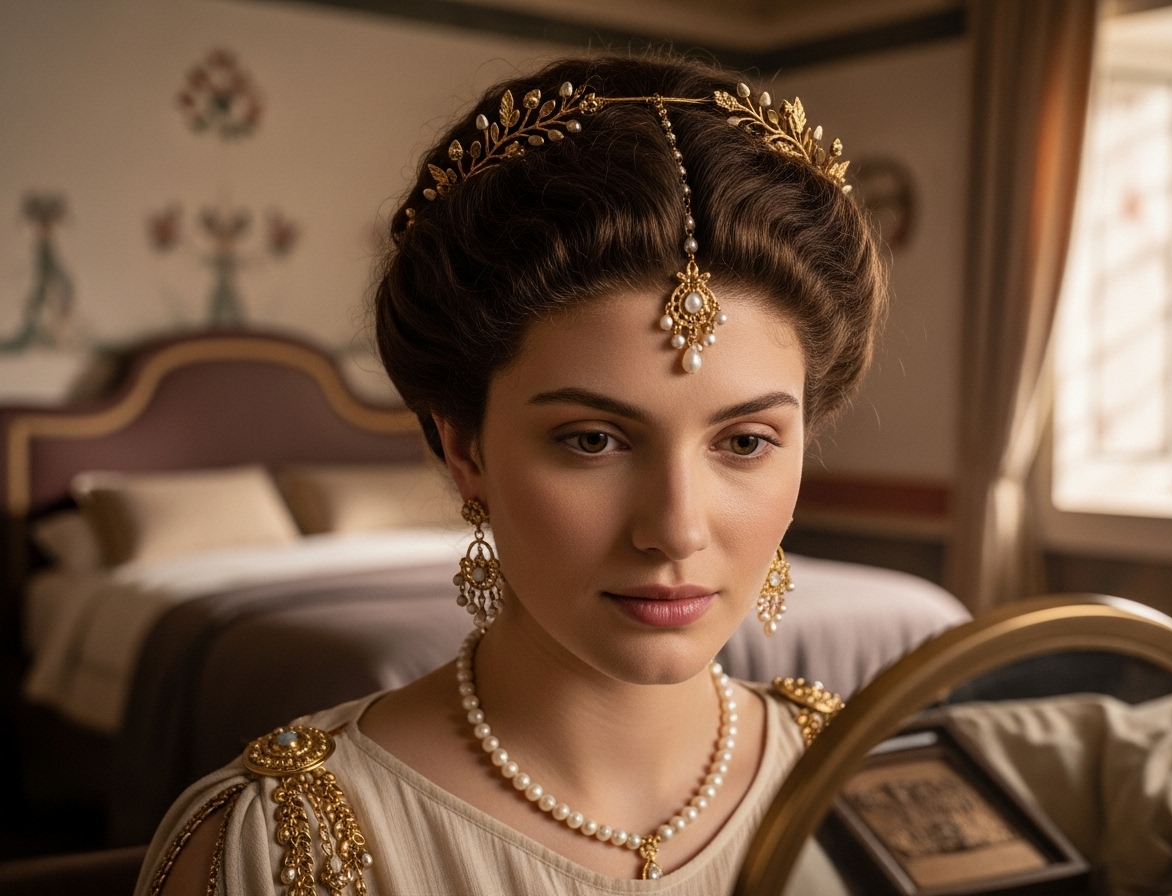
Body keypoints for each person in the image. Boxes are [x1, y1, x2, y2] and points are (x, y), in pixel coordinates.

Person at [136, 53, 886, 895]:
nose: (676, 528)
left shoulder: (868, 790)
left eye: (745, 442)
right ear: (466, 450)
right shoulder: (278, 850)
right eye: (593, 440)